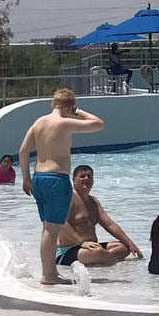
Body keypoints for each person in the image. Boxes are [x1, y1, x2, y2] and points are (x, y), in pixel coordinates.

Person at [19, 88, 105, 285]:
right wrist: (80, 112)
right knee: (52, 228)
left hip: (38, 178)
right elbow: (99, 124)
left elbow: (23, 150)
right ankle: (48, 275)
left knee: (47, 228)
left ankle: (49, 271)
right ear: (68, 106)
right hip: (56, 179)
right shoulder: (65, 122)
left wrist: (25, 178)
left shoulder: (39, 122)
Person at [56, 165, 143, 267]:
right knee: (99, 252)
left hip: (91, 247)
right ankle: (106, 261)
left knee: (123, 247)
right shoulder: (69, 198)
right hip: (69, 250)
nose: (86, 179)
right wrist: (81, 243)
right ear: (74, 180)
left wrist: (129, 242)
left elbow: (109, 224)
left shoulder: (93, 201)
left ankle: (98, 261)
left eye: (89, 176)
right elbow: (60, 223)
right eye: (82, 176)